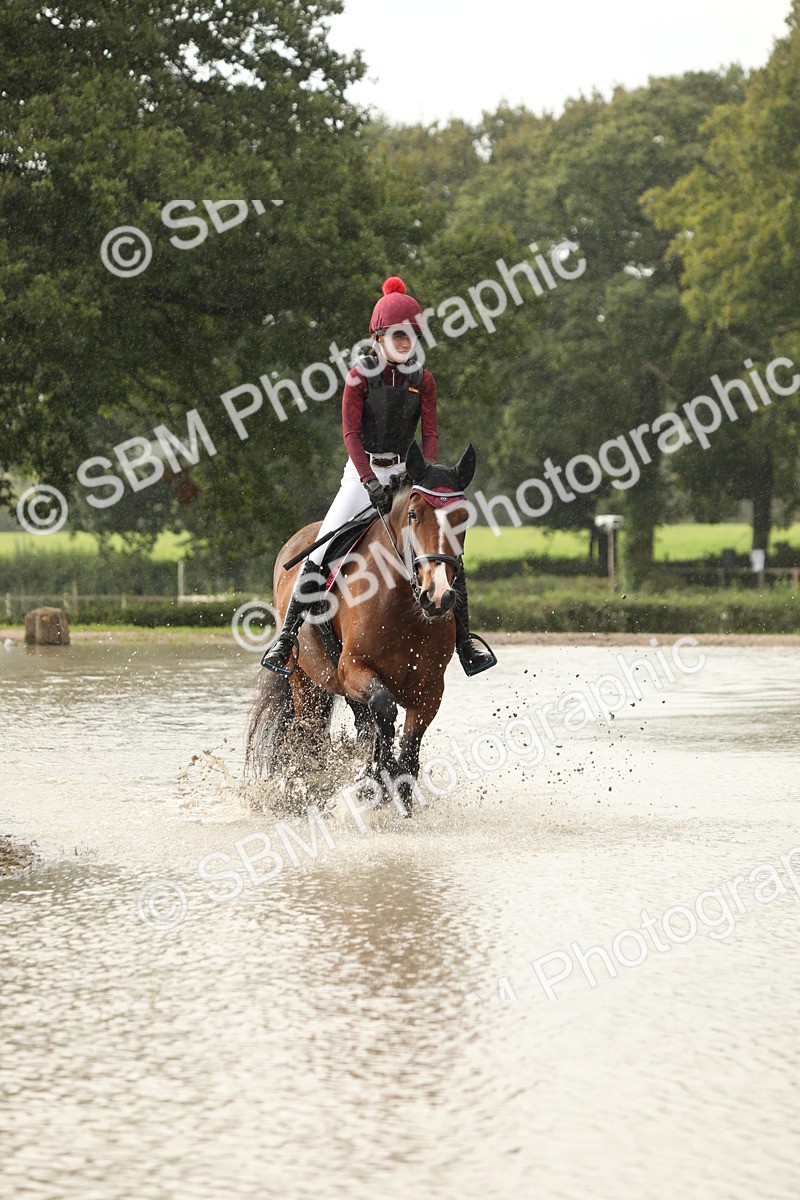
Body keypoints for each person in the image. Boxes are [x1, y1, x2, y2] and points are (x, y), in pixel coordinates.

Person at [261, 276, 496, 677]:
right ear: (379, 336)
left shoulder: (423, 380)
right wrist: (370, 481)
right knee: (320, 548)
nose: (405, 343)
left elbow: (431, 432)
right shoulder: (359, 377)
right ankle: (286, 639)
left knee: (445, 551)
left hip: (409, 475)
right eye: (397, 335)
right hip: (362, 473)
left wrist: (424, 478)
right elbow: (351, 433)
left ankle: (465, 644)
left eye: (410, 336)